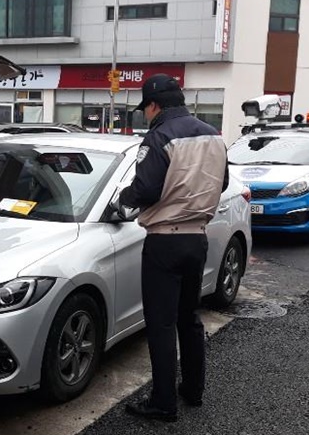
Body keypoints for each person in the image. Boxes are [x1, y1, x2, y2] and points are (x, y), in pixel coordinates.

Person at [118, 74, 229, 422]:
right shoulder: (213, 135)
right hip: (197, 238)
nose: (146, 115)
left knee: (161, 323)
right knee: (189, 318)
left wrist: (124, 197)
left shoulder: (159, 136)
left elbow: (146, 189)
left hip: (164, 240)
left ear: (154, 105)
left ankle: (163, 402)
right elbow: (223, 181)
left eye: (145, 109)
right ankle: (193, 390)